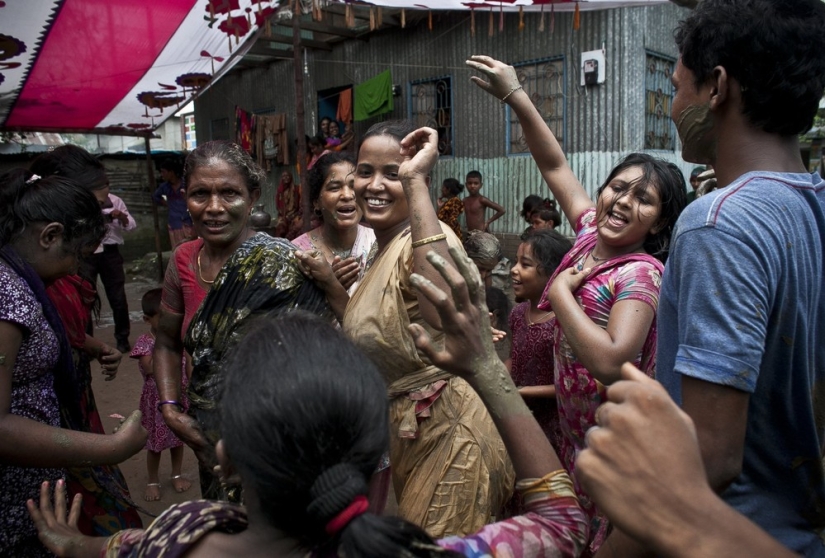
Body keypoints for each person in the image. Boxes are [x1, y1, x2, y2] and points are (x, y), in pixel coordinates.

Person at [27, 248, 590, 558]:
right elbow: (564, 524)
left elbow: (118, 550)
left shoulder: (180, 533)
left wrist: (69, 542)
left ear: (223, 458)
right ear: (376, 458)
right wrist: (486, 368)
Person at [467, 54, 687, 554]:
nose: (623, 201)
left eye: (644, 200)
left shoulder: (641, 273)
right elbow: (554, 163)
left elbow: (612, 360)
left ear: (656, 223)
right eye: (619, 187)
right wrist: (516, 94)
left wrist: (562, 293)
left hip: (616, 442)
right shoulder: (587, 235)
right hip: (573, 430)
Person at [653, 0, 825, 555]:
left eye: (677, 86)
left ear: (716, 87)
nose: (673, 107)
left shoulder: (719, 223)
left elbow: (709, 459)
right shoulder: (812, 206)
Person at [341, 122, 514, 538]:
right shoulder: (381, 249)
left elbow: (442, 315)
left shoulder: (430, 241)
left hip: (452, 430)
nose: (376, 185)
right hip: (415, 431)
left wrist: (414, 178)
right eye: (366, 172)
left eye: (394, 172)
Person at [153, 140, 330, 502]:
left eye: (229, 193)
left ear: (252, 198)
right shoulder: (183, 260)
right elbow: (167, 343)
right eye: (201, 194)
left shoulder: (285, 264)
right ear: (186, 198)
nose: (214, 208)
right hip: (207, 440)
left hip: (277, 444)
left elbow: (317, 363)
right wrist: (171, 410)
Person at [0, 169, 146, 556]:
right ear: (49, 236)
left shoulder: (19, 283)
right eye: (78, 256)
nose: (76, 271)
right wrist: (111, 448)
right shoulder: (6, 297)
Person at [33, 146, 144, 536]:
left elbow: (61, 337)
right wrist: (112, 449)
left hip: (75, 415)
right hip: (50, 434)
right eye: (91, 211)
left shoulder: (57, 272)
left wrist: (90, 347)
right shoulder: (24, 288)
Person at [508, 229, 572, 453]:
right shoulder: (518, 313)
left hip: (553, 425)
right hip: (520, 417)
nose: (513, 270)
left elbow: (571, 383)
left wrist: (523, 392)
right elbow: (515, 359)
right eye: (515, 262)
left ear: (552, 274)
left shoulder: (564, 322)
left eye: (525, 265)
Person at [130, 288, 191, 502]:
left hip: (178, 398)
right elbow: (149, 368)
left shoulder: (180, 338)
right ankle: (153, 481)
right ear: (147, 319)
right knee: (154, 445)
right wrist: (163, 344)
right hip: (155, 402)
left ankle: (176, 474)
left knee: (178, 439)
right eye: (162, 318)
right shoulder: (145, 343)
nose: (169, 322)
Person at [292, 152, 376, 295]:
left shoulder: (379, 243)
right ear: (316, 202)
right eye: (335, 187)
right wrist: (329, 289)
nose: (348, 195)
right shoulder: (299, 254)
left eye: (353, 186)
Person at [81, 190, 136, 354]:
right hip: (87, 253)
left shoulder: (114, 200)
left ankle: (122, 338)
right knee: (85, 297)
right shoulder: (81, 200)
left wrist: (121, 217)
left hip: (110, 252)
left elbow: (131, 225)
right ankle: (86, 341)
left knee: (117, 296)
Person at [152, 158, 193, 248]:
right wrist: (167, 204)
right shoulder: (165, 187)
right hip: (175, 223)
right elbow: (156, 197)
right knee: (178, 250)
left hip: (189, 222)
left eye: (164, 172)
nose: (162, 175)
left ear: (171, 172)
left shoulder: (186, 184)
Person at [274, 169, 301, 239]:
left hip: (295, 214)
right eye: (284, 176)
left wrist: (293, 215)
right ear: (282, 178)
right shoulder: (280, 191)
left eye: (288, 176)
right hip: (283, 215)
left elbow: (299, 205)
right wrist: (284, 216)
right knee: (280, 227)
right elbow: (278, 207)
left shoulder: (296, 189)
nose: (286, 178)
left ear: (291, 177)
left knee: (295, 226)